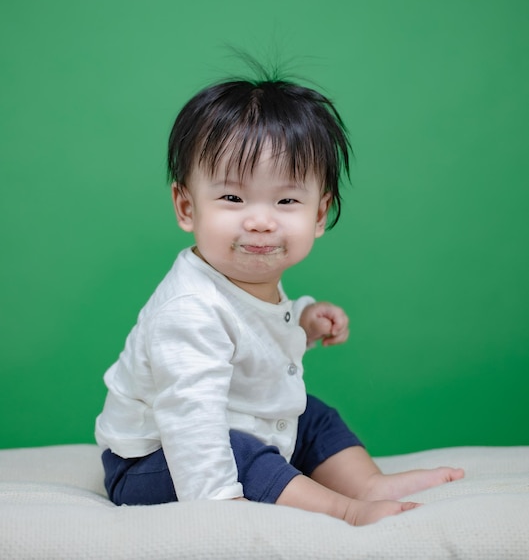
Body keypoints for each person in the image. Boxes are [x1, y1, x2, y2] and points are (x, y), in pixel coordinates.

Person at [95, 73, 464, 525]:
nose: (260, 221)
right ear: (187, 207)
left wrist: (303, 322)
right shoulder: (188, 310)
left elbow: (254, 344)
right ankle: (346, 508)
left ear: (319, 214)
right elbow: (192, 421)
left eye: (287, 201)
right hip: (156, 462)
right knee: (240, 451)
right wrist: (220, 505)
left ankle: (367, 483)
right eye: (233, 197)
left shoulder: (248, 281)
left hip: (225, 427)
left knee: (311, 413)